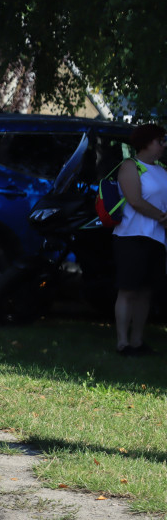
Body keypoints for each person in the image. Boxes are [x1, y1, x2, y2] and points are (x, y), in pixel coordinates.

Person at [114, 123, 167, 356]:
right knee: (128, 290)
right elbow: (134, 200)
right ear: (146, 142)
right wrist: (162, 218)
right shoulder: (130, 166)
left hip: (157, 238)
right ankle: (122, 343)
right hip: (131, 236)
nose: (163, 145)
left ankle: (137, 341)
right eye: (160, 140)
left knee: (145, 291)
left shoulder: (163, 170)